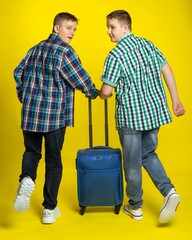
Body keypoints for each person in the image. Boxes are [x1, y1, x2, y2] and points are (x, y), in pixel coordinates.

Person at [99, 10, 185, 223]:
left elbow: (107, 91)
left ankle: (135, 207)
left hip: (131, 118)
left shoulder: (116, 55)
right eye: (108, 27)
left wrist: (98, 93)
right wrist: (176, 100)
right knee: (148, 154)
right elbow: (167, 70)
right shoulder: (148, 45)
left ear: (125, 28)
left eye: (112, 27)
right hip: (154, 113)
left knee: (132, 163)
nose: (108, 32)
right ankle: (169, 191)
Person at [13, 12, 98, 224]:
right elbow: (80, 78)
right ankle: (49, 209)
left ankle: (26, 178)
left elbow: (17, 72)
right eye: (68, 27)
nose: (72, 33)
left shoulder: (35, 49)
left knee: (32, 152)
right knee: (53, 162)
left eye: (74, 29)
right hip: (55, 117)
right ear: (56, 28)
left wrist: (25, 97)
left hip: (31, 115)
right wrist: (93, 91)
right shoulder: (65, 52)